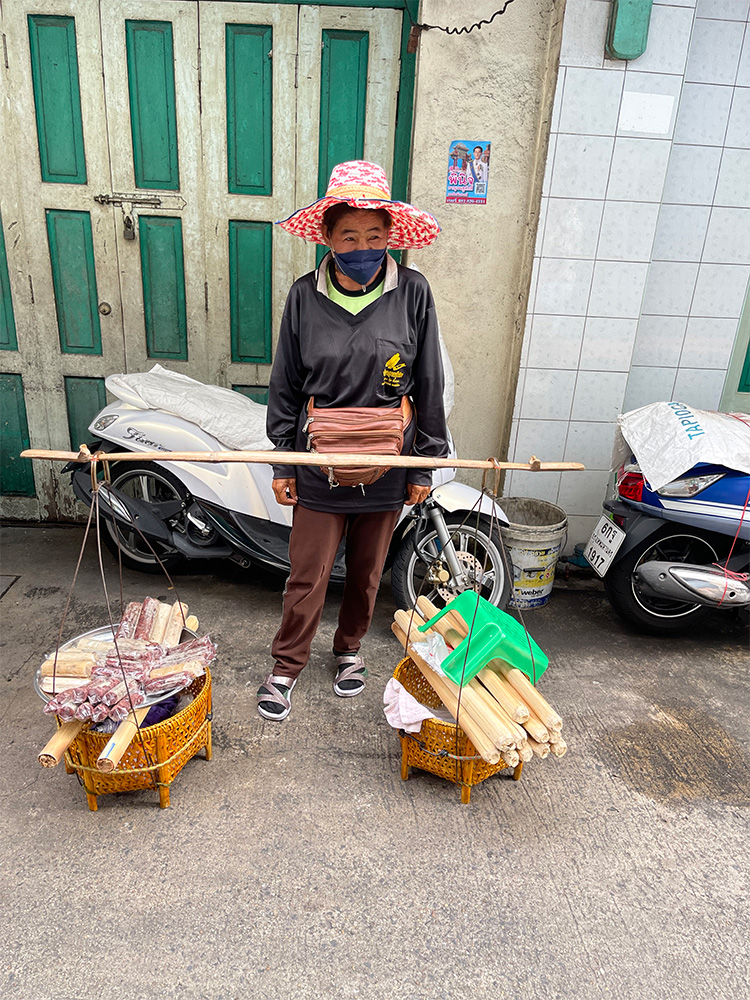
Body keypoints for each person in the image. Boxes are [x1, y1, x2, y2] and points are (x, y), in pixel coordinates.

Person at [257, 160, 448, 721]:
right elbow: (286, 381)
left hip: (389, 461)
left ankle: (348, 650)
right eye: (349, 236)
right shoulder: (303, 296)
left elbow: (429, 380)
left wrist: (422, 466)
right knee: (308, 571)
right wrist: (284, 462)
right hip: (319, 463)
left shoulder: (413, 292)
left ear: (391, 235)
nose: (362, 246)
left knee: (367, 572)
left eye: (374, 235)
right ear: (327, 238)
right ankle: (287, 664)